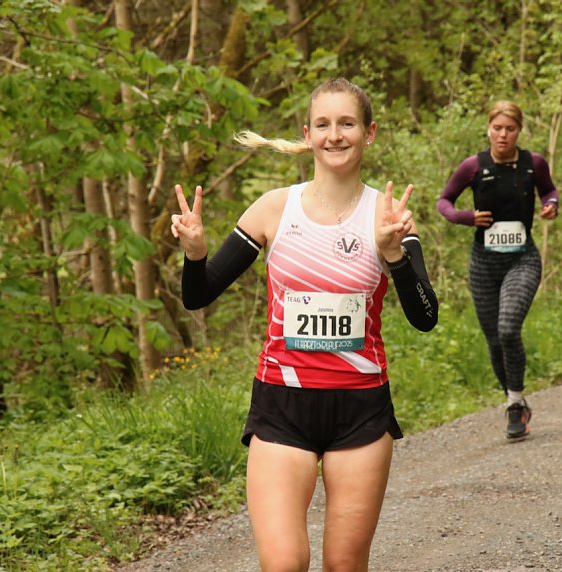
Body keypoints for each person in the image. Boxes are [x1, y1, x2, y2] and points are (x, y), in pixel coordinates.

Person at [171, 77, 438, 572]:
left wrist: (395, 255)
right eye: (323, 124)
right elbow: (198, 294)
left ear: (369, 132)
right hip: (281, 406)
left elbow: (426, 317)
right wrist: (195, 254)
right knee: (285, 563)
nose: (335, 135)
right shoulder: (274, 208)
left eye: (347, 124)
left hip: (360, 407)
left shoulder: (390, 215)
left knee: (343, 566)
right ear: (307, 133)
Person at [436, 100, 559, 441]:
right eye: (497, 128)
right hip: (483, 264)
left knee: (508, 329)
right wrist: (465, 217)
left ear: (519, 131)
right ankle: (513, 400)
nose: (503, 135)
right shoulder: (473, 166)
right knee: (493, 340)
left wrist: (552, 204)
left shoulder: (533, 163)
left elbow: (548, 190)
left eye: (510, 129)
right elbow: (443, 202)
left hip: (523, 258)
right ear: (488, 129)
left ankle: (515, 403)